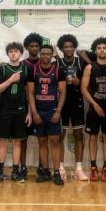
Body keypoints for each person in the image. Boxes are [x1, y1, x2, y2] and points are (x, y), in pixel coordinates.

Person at [28, 44, 67, 185]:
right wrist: (34, 113)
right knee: (42, 142)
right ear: (40, 54)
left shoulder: (58, 70)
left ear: (52, 56)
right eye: (43, 54)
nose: (45, 56)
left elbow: (63, 93)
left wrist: (58, 111)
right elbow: (30, 93)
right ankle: (45, 171)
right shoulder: (33, 70)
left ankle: (57, 172)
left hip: (53, 111)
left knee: (55, 141)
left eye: (48, 54)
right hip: (39, 111)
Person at [0, 42, 32, 183]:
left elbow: (29, 93)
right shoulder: (2, 68)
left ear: (21, 53)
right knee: (2, 141)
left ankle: (16, 171)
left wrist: (29, 113)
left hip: (20, 110)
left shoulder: (26, 69)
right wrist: (10, 80)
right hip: (5, 109)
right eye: (11, 51)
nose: (14, 54)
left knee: (17, 142)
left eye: (16, 51)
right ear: (8, 54)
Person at [81, 37, 106, 182]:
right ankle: (93, 167)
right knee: (93, 137)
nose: (102, 50)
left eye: (104, 48)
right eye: (99, 48)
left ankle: (105, 168)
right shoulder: (89, 67)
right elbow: (83, 89)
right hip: (94, 108)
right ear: (95, 50)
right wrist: (94, 105)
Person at [56, 34, 88, 181]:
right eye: (66, 47)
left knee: (78, 135)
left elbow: (87, 81)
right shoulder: (57, 63)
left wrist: (79, 81)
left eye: (71, 46)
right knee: (60, 136)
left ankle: (79, 168)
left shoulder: (80, 61)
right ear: (62, 48)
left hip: (77, 101)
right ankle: (60, 167)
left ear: (74, 47)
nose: (68, 49)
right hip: (61, 103)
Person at [20, 32, 43, 180]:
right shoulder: (22, 65)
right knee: (23, 138)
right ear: (27, 47)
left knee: (42, 139)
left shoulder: (45, 63)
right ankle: (22, 167)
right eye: (31, 46)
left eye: (36, 46)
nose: (34, 48)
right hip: (24, 105)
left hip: (42, 104)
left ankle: (42, 166)